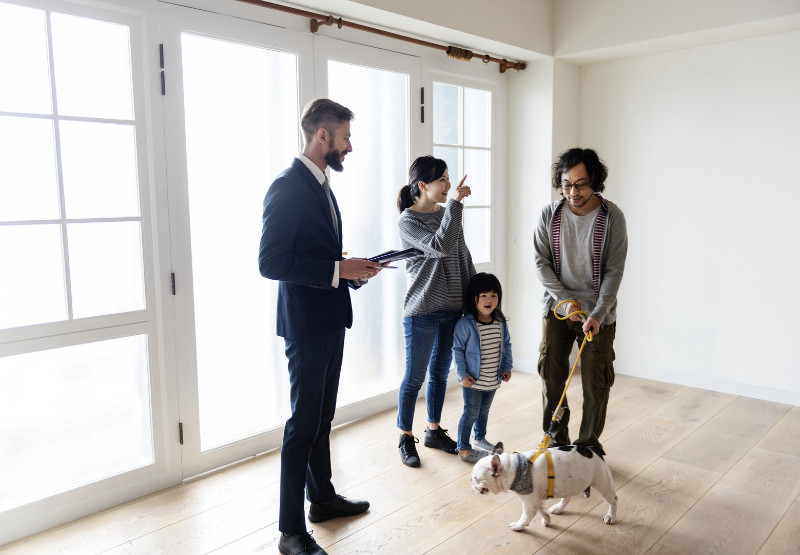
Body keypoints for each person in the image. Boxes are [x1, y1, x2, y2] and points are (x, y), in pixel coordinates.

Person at [259, 98, 383, 555]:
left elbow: (317, 253)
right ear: (323, 136)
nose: (351, 146)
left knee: (322, 417)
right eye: (346, 137)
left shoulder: (321, 184)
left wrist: (350, 272)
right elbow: (271, 262)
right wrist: (336, 269)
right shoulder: (287, 187)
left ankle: (323, 499)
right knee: (303, 423)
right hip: (306, 326)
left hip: (330, 319)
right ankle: (291, 531)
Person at [533, 147, 628, 450]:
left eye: (580, 184)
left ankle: (587, 450)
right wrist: (565, 302)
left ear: (595, 181)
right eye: (566, 184)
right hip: (557, 309)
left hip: (599, 315)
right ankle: (558, 447)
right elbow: (541, 263)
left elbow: (614, 270)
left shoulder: (613, 217)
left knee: (595, 385)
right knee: (551, 380)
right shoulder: (549, 215)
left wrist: (597, 314)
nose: (573, 191)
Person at [395, 155, 476, 467]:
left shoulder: (447, 213)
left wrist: (472, 304)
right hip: (422, 310)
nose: (447, 184)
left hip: (453, 307)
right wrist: (455, 205)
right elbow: (440, 246)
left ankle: (433, 431)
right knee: (414, 378)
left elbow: (461, 256)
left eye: (447, 178)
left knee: (441, 374)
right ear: (422, 185)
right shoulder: (408, 221)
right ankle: (405, 436)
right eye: (441, 179)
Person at [452, 272, 513, 463]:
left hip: (492, 379)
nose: (489, 300)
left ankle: (479, 438)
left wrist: (507, 367)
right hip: (473, 380)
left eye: (494, 295)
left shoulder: (500, 321)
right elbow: (457, 349)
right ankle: (463, 448)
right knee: (471, 412)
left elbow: (507, 344)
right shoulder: (466, 324)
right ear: (474, 298)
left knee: (484, 411)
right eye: (484, 295)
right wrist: (462, 375)